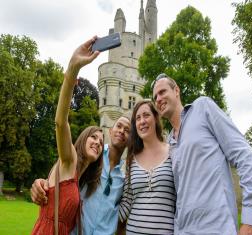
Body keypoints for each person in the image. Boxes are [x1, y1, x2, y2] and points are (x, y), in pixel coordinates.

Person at [151, 73, 252, 235]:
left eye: (162, 92)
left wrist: (251, 217)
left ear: (176, 91)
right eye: (155, 97)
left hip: (217, 228)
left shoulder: (203, 108)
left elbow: (244, 155)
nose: (158, 99)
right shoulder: (170, 144)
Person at [31, 36, 104, 235]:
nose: (98, 142)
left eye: (101, 141)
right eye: (93, 137)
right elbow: (61, 122)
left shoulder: (79, 178)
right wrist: (73, 68)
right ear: (82, 140)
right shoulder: (69, 160)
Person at [31, 114, 131, 234]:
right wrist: (42, 184)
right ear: (110, 131)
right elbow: (63, 174)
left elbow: (121, 216)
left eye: (127, 130)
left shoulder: (122, 179)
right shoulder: (92, 157)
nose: (121, 131)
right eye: (119, 126)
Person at [118, 100, 176, 234]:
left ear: (156, 118)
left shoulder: (173, 152)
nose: (142, 121)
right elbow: (126, 203)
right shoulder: (131, 160)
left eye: (146, 115)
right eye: (138, 118)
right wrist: (100, 218)